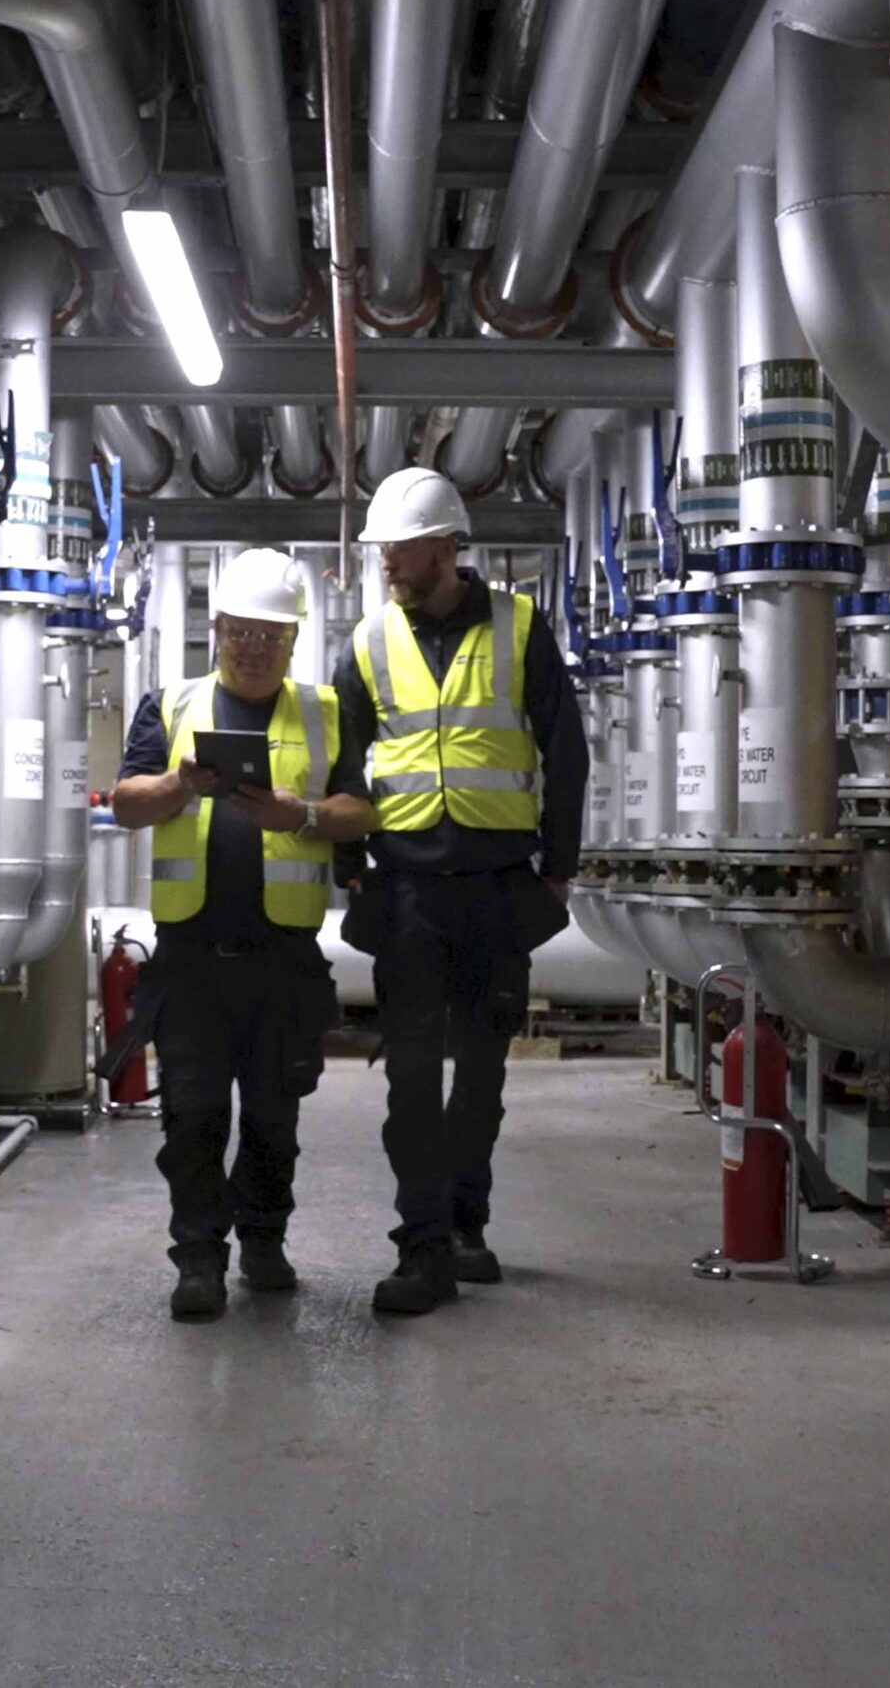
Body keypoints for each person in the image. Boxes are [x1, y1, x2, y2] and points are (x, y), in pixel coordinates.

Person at [335, 467, 589, 1315]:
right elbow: (342, 761)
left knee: (481, 1070)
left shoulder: (521, 628)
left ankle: (467, 1221)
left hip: (495, 884)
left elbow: (566, 749)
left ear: (445, 546)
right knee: (409, 1075)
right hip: (406, 885)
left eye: (397, 549)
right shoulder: (369, 642)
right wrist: (349, 869)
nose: (385, 565)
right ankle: (422, 1245)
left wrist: (558, 867)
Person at [111, 548, 374, 1321]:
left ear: (293, 639)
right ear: (215, 627)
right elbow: (127, 802)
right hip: (191, 958)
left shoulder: (327, 712)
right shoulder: (170, 704)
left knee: (272, 1113)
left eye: (271, 634)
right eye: (240, 631)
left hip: (282, 959)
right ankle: (198, 1258)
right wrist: (179, 785)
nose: (254, 646)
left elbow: (364, 807)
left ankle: (263, 1239)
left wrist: (303, 814)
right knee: (190, 1115)